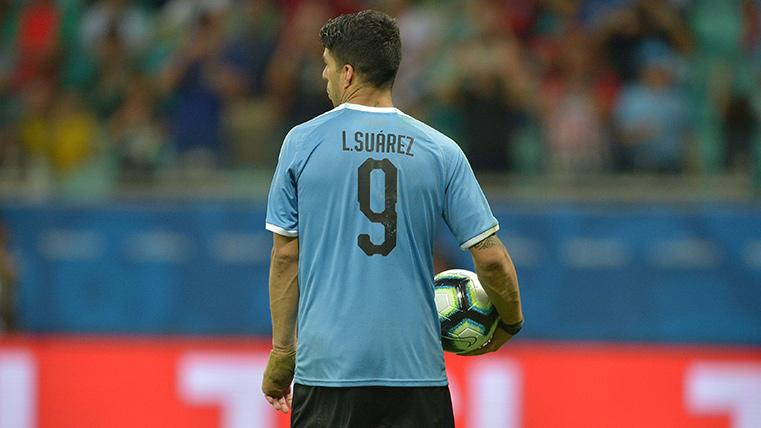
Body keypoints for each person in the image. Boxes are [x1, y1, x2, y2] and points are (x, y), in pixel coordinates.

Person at [261, 10, 523, 427]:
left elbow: (286, 256)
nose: (324, 78)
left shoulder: (302, 143)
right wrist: (509, 321)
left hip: (328, 371)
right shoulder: (441, 150)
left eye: (327, 67)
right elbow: (490, 258)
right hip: (416, 375)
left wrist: (281, 352)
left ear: (347, 73)